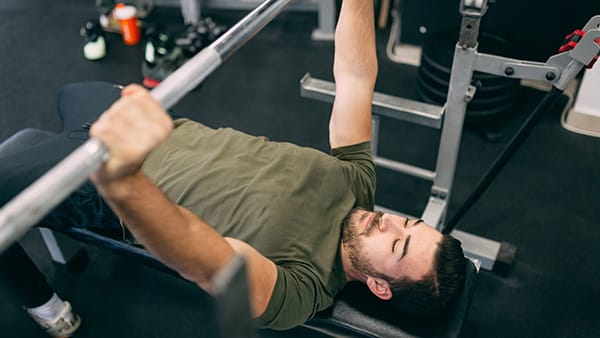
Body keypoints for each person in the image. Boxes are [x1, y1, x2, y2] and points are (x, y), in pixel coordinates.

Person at [0, 0, 466, 334]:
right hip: (157, 124)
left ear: (380, 288)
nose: (388, 221)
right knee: (68, 93)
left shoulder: (302, 292)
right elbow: (356, 78)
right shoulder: (358, 183)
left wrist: (120, 178)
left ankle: (43, 301)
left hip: (104, 187)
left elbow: (206, 261)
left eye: (399, 244)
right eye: (406, 222)